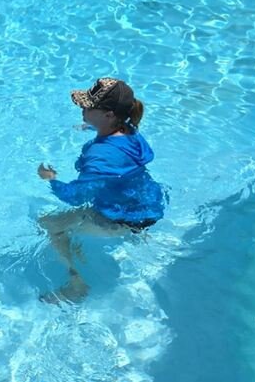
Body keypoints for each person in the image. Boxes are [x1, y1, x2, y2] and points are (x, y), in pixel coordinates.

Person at [37, 76, 165, 301]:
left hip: (120, 219)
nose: (82, 108)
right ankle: (139, 235)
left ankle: (76, 282)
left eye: (88, 107)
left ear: (109, 115)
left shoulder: (101, 157)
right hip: (149, 206)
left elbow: (75, 197)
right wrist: (93, 125)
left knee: (50, 224)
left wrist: (51, 179)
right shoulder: (130, 130)